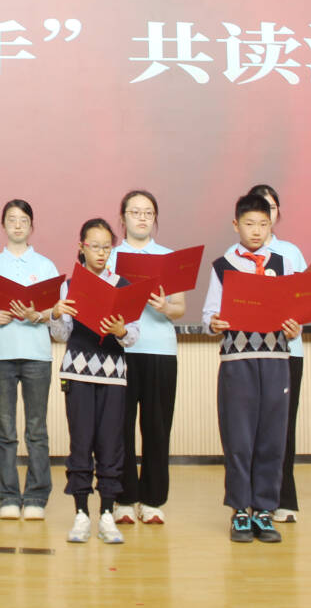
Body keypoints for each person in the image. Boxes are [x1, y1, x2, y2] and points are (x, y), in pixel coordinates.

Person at [202, 194, 301, 543]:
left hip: (276, 360)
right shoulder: (223, 265)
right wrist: (214, 323)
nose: (256, 231)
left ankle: (264, 509)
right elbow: (208, 315)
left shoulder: (284, 264)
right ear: (236, 225)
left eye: (263, 224)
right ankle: (240, 509)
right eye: (249, 224)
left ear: (271, 225)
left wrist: (295, 327)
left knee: (272, 437)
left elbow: (295, 312)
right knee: (239, 437)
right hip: (237, 361)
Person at [49, 218, 138, 544]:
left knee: (111, 445)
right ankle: (81, 514)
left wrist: (121, 330)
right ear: (81, 247)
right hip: (77, 373)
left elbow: (134, 336)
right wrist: (55, 314)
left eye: (106, 247)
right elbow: (61, 335)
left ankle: (107, 514)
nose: (100, 253)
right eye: (94, 246)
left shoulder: (123, 285)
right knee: (81, 442)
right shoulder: (70, 284)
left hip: (113, 375)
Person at [109, 190, 186, 526]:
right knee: (119, 427)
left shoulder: (168, 258)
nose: (141, 218)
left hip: (159, 351)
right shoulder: (110, 256)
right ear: (122, 217)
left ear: (155, 219)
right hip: (121, 350)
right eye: (135, 212)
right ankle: (124, 498)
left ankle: (153, 500)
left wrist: (164, 306)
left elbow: (180, 309)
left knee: (157, 427)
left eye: (148, 213)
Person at [236, 184, 308, 524]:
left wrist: (296, 322)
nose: (258, 226)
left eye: (269, 211)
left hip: (287, 351)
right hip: (248, 352)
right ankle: (250, 499)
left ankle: (282, 498)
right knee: (248, 429)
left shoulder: (290, 254)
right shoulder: (233, 257)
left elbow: (302, 300)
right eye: (253, 218)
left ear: (275, 215)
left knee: (282, 428)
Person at [0, 200, 60, 521]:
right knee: (5, 431)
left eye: (23, 220)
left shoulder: (45, 266)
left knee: (36, 430)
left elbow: (58, 314)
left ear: (32, 226)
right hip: (0, 354)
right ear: (3, 225)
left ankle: (36, 496)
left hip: (37, 355)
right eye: (12, 219)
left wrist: (38, 315)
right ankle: (7, 497)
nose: (17, 225)